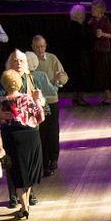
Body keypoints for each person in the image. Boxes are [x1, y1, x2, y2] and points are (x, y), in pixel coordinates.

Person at [0, 69, 46, 220]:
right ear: (19, 83)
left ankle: (24, 207)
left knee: (17, 170)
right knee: (29, 168)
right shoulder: (27, 98)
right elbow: (40, 117)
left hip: (11, 137)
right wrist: (37, 100)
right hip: (30, 136)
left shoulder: (0, 101)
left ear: (4, 84)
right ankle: (26, 204)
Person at [29, 34, 69, 177]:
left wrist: (60, 79)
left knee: (52, 131)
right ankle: (43, 161)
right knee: (40, 133)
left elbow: (64, 77)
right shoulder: (29, 61)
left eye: (43, 46)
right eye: (37, 47)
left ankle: (53, 159)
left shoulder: (52, 59)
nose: (41, 49)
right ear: (32, 47)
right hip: (35, 103)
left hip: (51, 101)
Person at [85, 0, 111, 105]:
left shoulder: (104, 20)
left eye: (94, 8)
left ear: (100, 10)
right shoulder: (93, 20)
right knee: (99, 74)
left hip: (103, 50)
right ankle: (107, 95)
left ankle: (109, 96)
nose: (92, 10)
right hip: (96, 50)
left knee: (104, 73)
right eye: (92, 8)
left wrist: (103, 34)